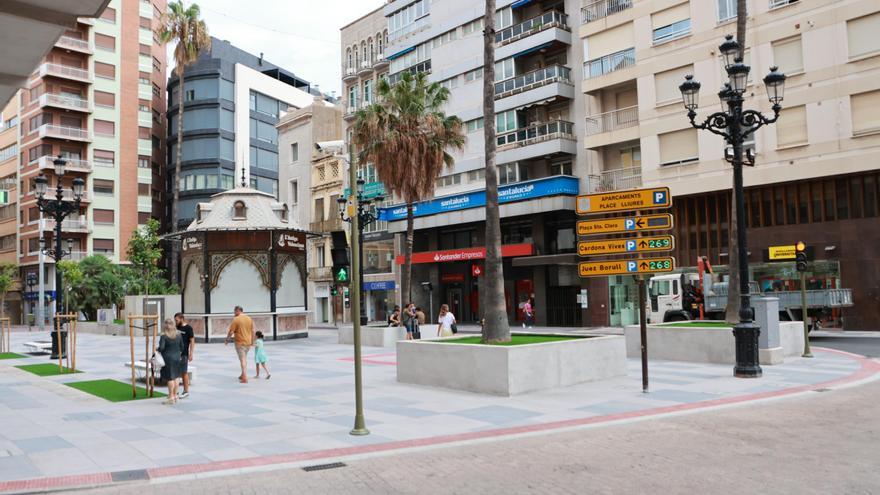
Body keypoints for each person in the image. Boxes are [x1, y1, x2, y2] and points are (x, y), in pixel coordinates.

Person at [225, 305, 255, 384]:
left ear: (238, 311)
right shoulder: (249, 318)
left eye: (234, 311)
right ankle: (242, 374)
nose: (234, 313)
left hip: (240, 343)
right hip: (248, 342)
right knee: (244, 358)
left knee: (242, 359)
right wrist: (252, 341)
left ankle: (244, 377)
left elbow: (231, 331)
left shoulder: (236, 319)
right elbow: (253, 331)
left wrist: (227, 339)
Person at [157, 318, 183, 405]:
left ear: (165, 325)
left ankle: (171, 396)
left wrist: (157, 349)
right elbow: (182, 347)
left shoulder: (164, 336)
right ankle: (175, 396)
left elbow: (162, 348)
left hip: (167, 358)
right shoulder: (178, 334)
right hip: (177, 357)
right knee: (176, 377)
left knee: (170, 378)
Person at [174, 312, 195, 398]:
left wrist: (191, 353)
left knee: (184, 372)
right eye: (175, 320)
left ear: (182, 319)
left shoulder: (188, 328)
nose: (176, 322)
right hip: (175, 353)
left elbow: (192, 341)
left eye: (177, 320)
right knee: (176, 373)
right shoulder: (176, 327)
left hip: (184, 353)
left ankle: (186, 391)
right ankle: (176, 391)